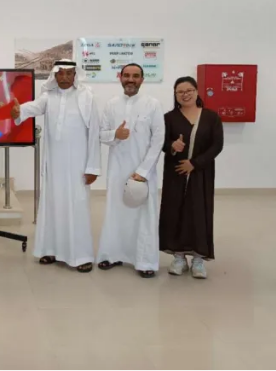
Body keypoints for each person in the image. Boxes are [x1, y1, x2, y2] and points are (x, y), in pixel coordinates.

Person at [11, 59, 101, 271]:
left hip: (78, 165)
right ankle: (50, 250)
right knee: (52, 206)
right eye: (61, 73)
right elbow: (32, 107)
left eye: (69, 73)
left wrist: (93, 167)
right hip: (53, 165)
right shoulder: (49, 97)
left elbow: (94, 133)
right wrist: (18, 111)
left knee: (77, 208)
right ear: (55, 75)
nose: (65, 77)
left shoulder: (87, 97)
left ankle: (81, 256)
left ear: (75, 75)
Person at [97, 63, 165, 278]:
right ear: (120, 78)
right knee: (115, 212)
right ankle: (111, 254)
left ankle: (145, 261)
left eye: (135, 76)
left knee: (144, 215)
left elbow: (158, 139)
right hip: (117, 170)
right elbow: (101, 134)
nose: (130, 80)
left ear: (142, 80)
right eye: (126, 75)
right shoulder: (111, 104)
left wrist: (143, 171)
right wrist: (115, 135)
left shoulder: (152, 105)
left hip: (144, 171)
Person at [160, 76, 224, 279]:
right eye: (180, 91)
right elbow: (161, 142)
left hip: (201, 174)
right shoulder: (169, 118)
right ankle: (178, 257)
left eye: (189, 90)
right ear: (175, 95)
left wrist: (195, 163)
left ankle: (198, 259)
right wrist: (172, 145)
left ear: (197, 91)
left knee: (199, 212)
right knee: (175, 212)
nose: (185, 94)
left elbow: (217, 145)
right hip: (175, 173)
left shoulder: (211, 117)